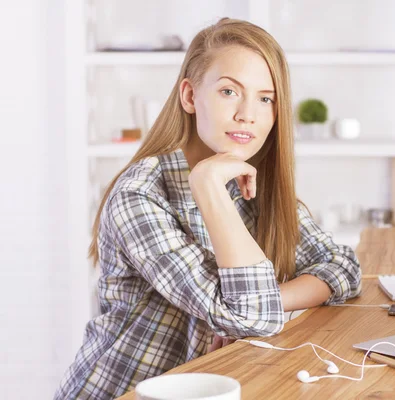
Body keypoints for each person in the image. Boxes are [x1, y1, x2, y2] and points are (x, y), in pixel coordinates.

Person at [54, 17, 362, 399]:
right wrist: (207, 185)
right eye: (230, 92)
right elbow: (253, 317)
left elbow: (343, 265)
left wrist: (274, 298)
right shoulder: (139, 195)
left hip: (211, 387)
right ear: (189, 96)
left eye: (266, 98)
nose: (248, 114)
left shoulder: (253, 185)